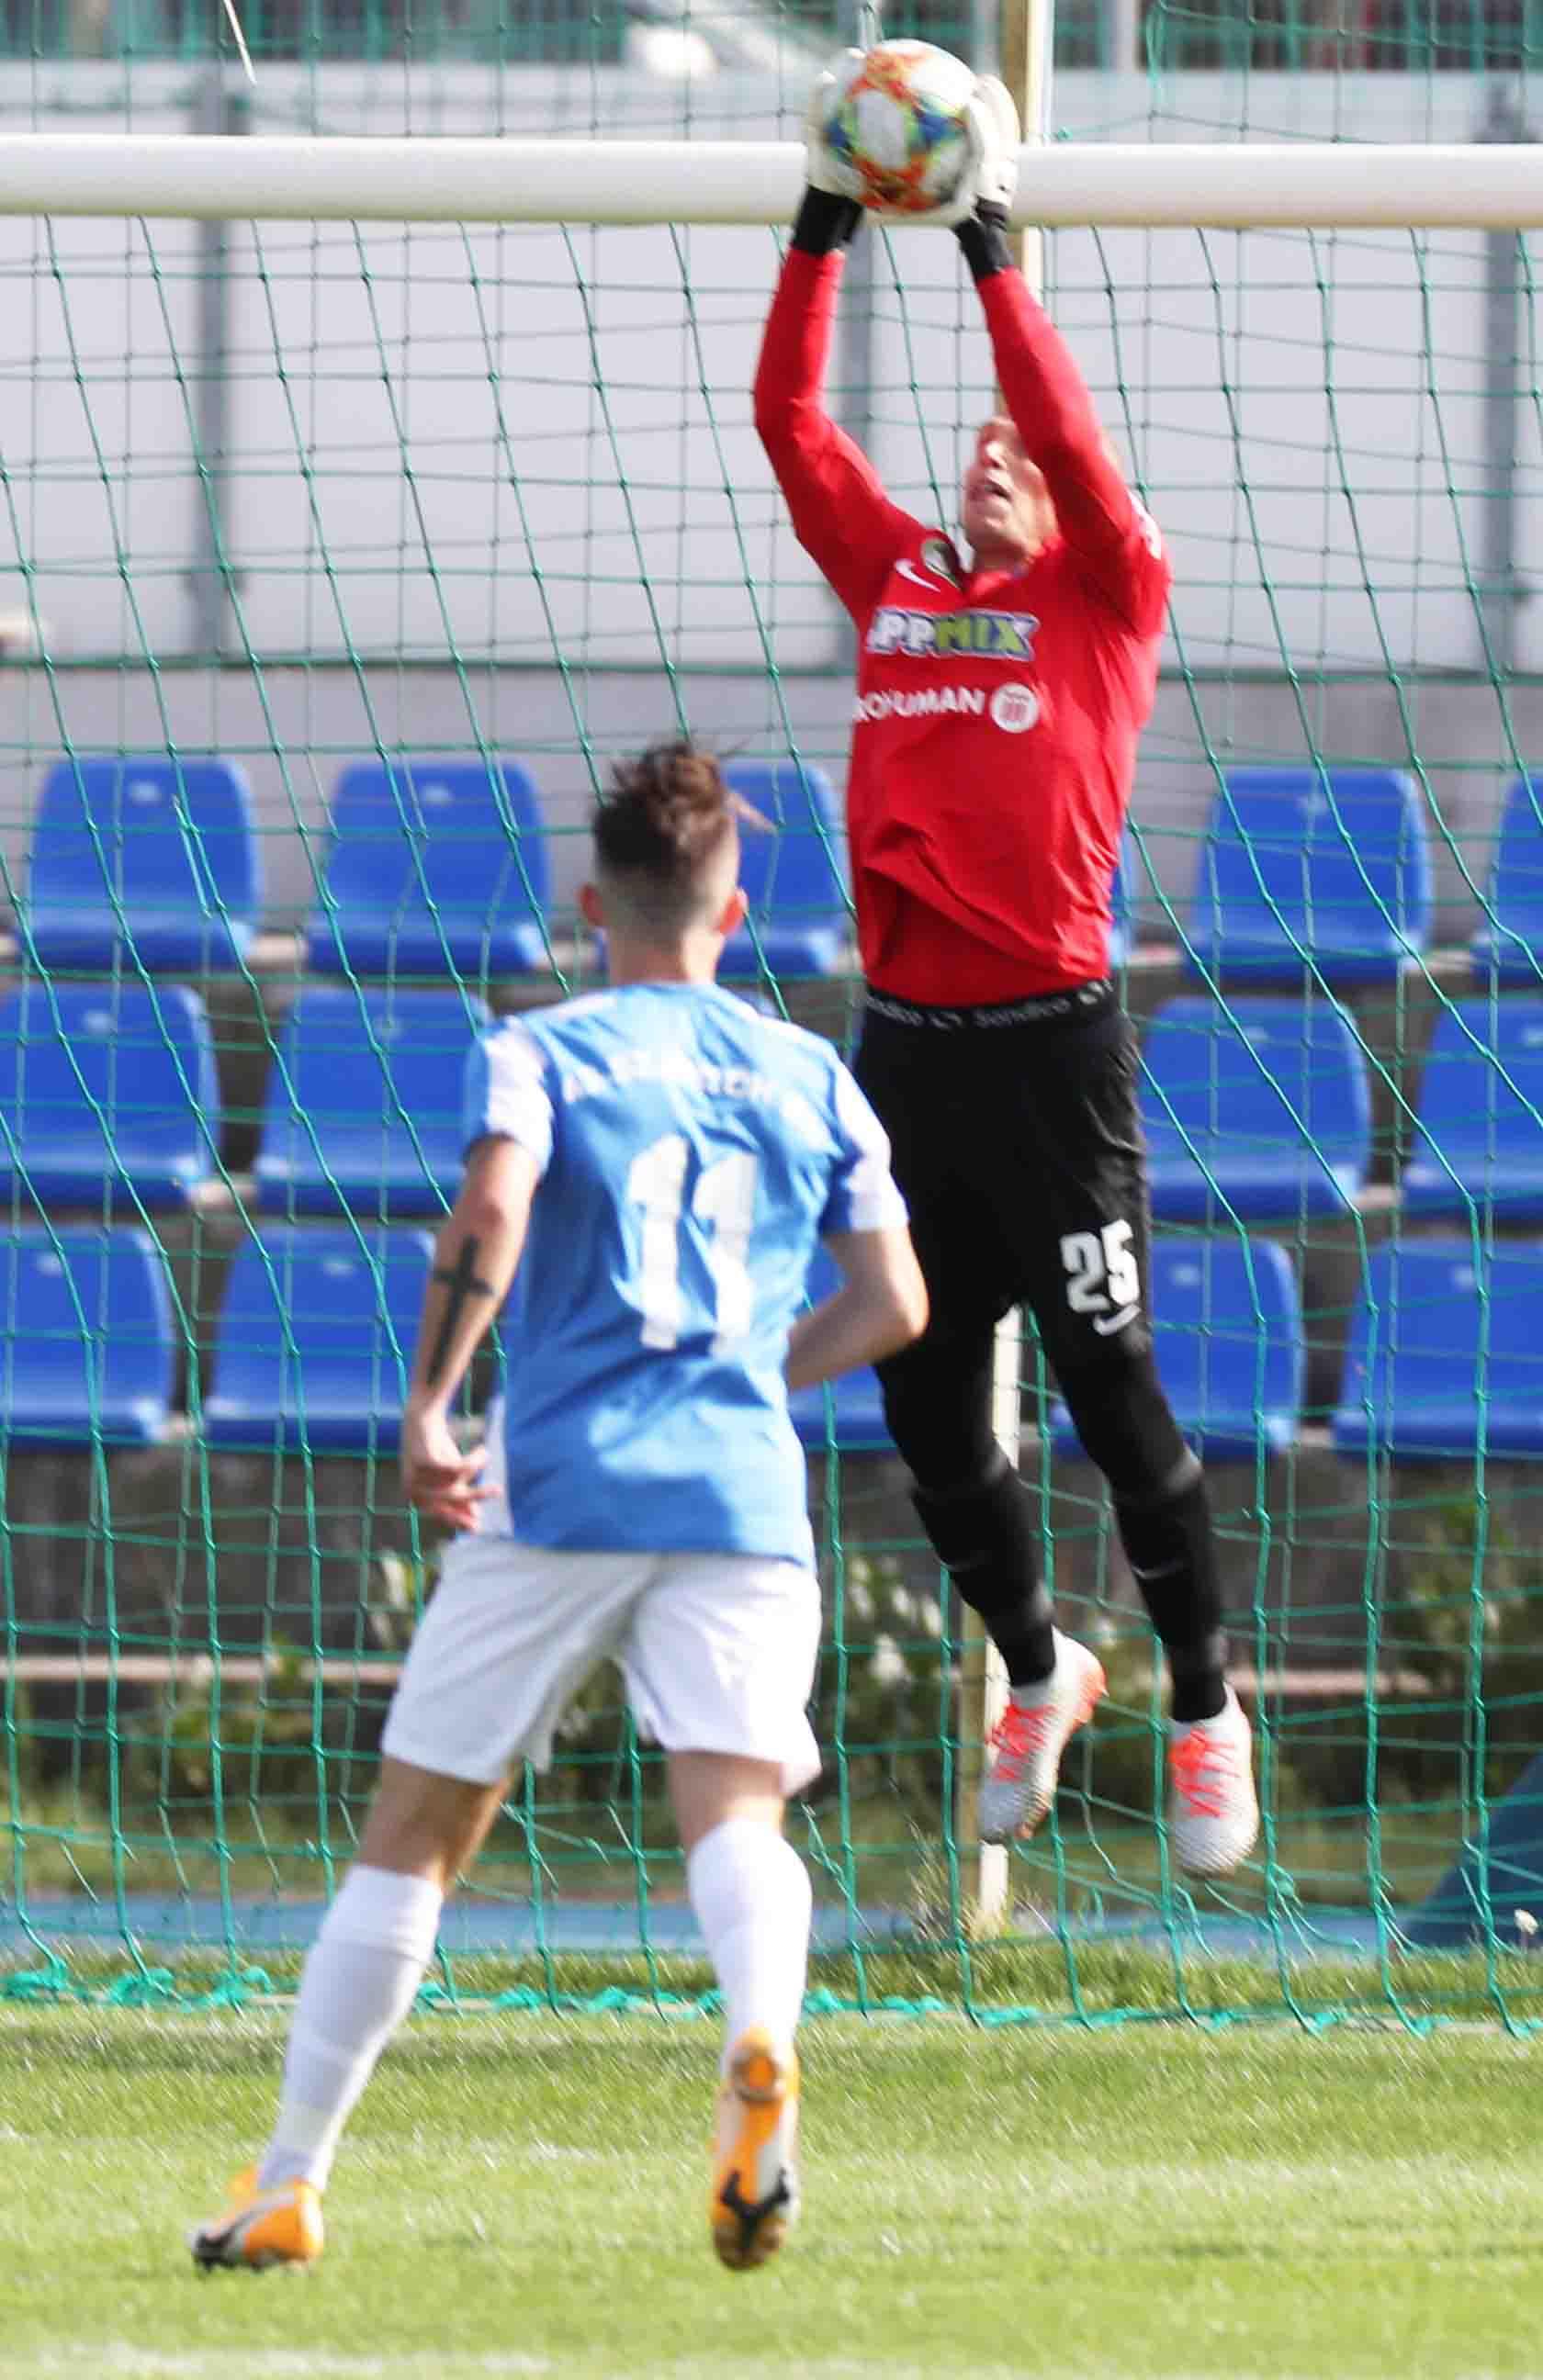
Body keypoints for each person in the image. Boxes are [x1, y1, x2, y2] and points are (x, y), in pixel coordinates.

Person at [189, 741, 928, 2278]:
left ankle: (291, 2181)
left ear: (594, 906)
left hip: (561, 1484)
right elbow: (897, 1303)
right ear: (735, 916)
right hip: (741, 1491)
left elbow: (496, 1204)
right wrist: (752, 1372)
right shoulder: (815, 1073)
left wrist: (432, 1401)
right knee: (736, 1813)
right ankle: (759, 2038)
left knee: (416, 1837)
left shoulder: (544, 1049)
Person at [751, 62, 1259, 1877]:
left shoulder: (1106, 597)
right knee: (920, 1396)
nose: (992, 451)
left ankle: (1204, 1703)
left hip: (1055, 1055)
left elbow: (1059, 421)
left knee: (1111, 1394)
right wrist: (824, 222)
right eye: (975, 443)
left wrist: (987, 251)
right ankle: (1040, 1671)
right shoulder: (898, 580)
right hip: (908, 1054)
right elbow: (788, 420)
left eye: (1017, 451)